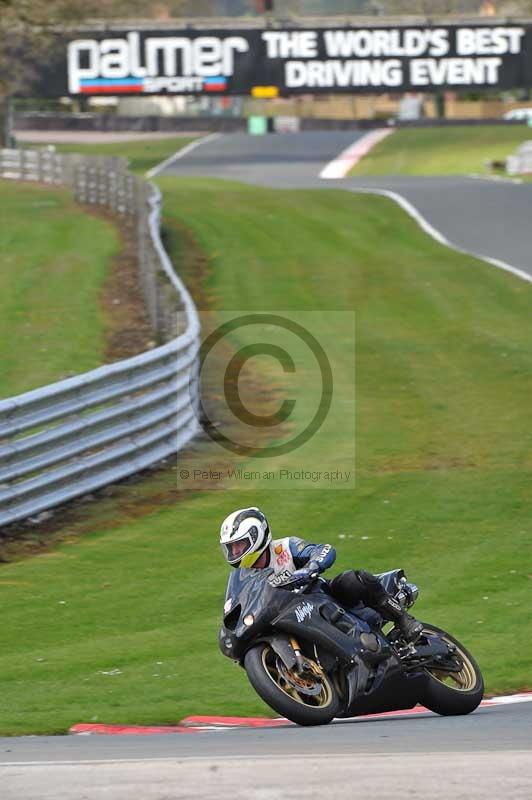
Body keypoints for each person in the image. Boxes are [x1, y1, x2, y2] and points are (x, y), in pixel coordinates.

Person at [220, 506, 423, 643]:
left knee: (351, 580)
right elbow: (237, 606)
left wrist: (311, 567)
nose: (236, 551)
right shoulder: (243, 578)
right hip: (287, 618)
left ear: (257, 536)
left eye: (240, 544)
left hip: (321, 598)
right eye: (232, 547)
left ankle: (404, 619)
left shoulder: (284, 547)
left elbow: (323, 549)